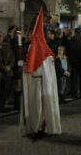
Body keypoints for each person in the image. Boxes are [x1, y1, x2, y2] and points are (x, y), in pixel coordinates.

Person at [20, 8, 61, 137]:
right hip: (38, 81)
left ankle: (42, 126)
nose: (50, 34)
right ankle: (38, 127)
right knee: (38, 105)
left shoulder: (41, 46)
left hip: (42, 81)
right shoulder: (35, 46)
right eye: (47, 32)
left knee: (41, 106)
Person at [0, 31, 15, 116]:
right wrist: (3, 67)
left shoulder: (6, 46)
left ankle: (2, 106)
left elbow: (12, 57)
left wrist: (10, 66)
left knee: (5, 91)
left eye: (0, 36)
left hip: (7, 73)